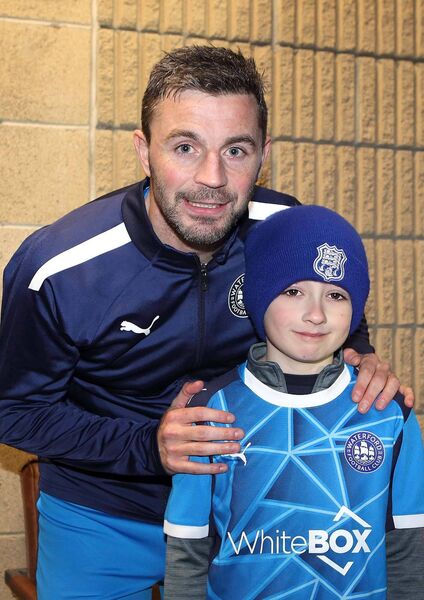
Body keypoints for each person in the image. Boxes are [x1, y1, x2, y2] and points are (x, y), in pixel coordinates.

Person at [0, 46, 410, 599]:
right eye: (186, 147)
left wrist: (363, 361)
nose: (212, 178)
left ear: (264, 154)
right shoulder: (60, 266)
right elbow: (13, 412)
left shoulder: (283, 229)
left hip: (251, 508)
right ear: (144, 153)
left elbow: (338, 314)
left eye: (235, 150)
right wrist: (148, 445)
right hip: (103, 516)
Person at [164, 205, 424, 600]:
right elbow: (188, 553)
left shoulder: (389, 411)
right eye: (293, 291)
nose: (316, 314)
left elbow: (408, 551)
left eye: (335, 294)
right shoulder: (209, 412)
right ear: (258, 296)